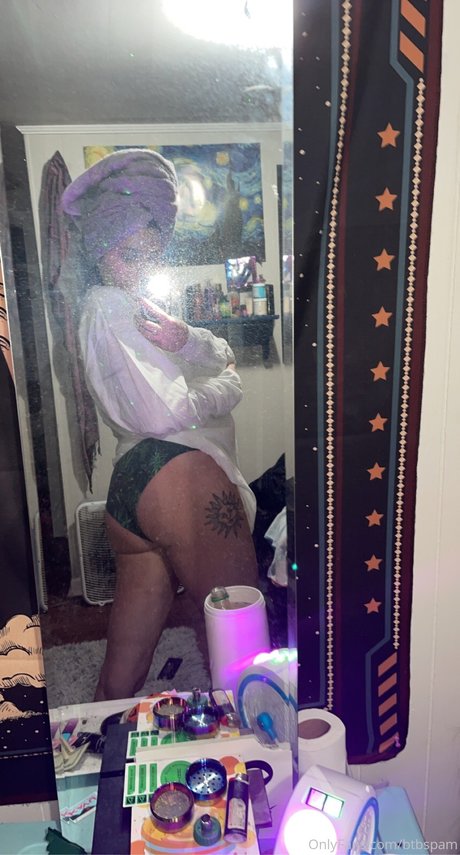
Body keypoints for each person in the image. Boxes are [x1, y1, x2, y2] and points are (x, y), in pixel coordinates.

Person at [60, 149, 258, 700]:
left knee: (125, 663)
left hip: (138, 480)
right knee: (243, 646)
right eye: (128, 254)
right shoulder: (109, 306)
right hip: (177, 475)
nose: (138, 267)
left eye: (149, 255)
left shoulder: (135, 304)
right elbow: (162, 413)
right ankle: (257, 744)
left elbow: (219, 353)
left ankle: (104, 735)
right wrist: (230, 388)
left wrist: (185, 338)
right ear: (100, 250)